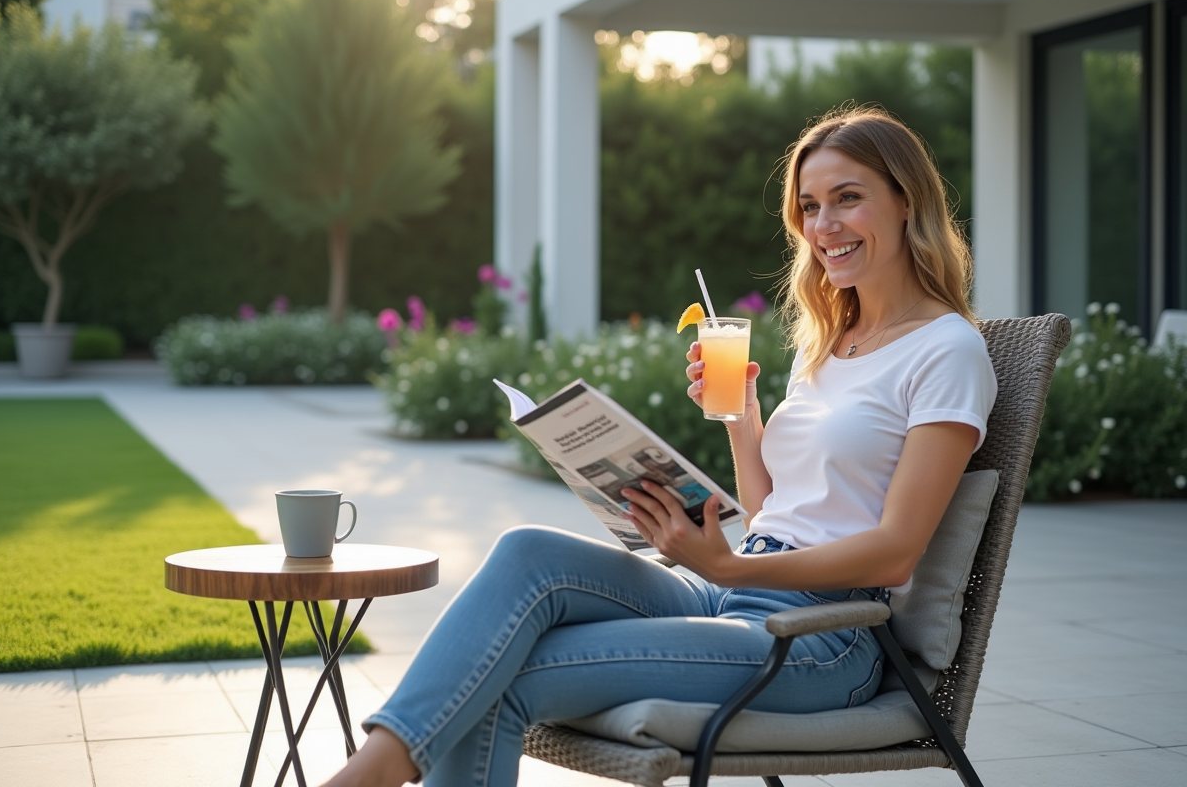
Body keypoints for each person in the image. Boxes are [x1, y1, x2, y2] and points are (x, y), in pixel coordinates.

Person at [322, 105, 997, 787]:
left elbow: (898, 547)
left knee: (507, 673)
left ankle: (369, 773)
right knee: (529, 552)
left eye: (848, 199)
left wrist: (731, 570)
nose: (825, 227)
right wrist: (741, 420)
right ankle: (376, 768)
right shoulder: (827, 344)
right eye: (810, 207)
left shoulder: (946, 350)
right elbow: (773, 516)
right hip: (735, 594)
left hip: (822, 637)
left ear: (906, 201)